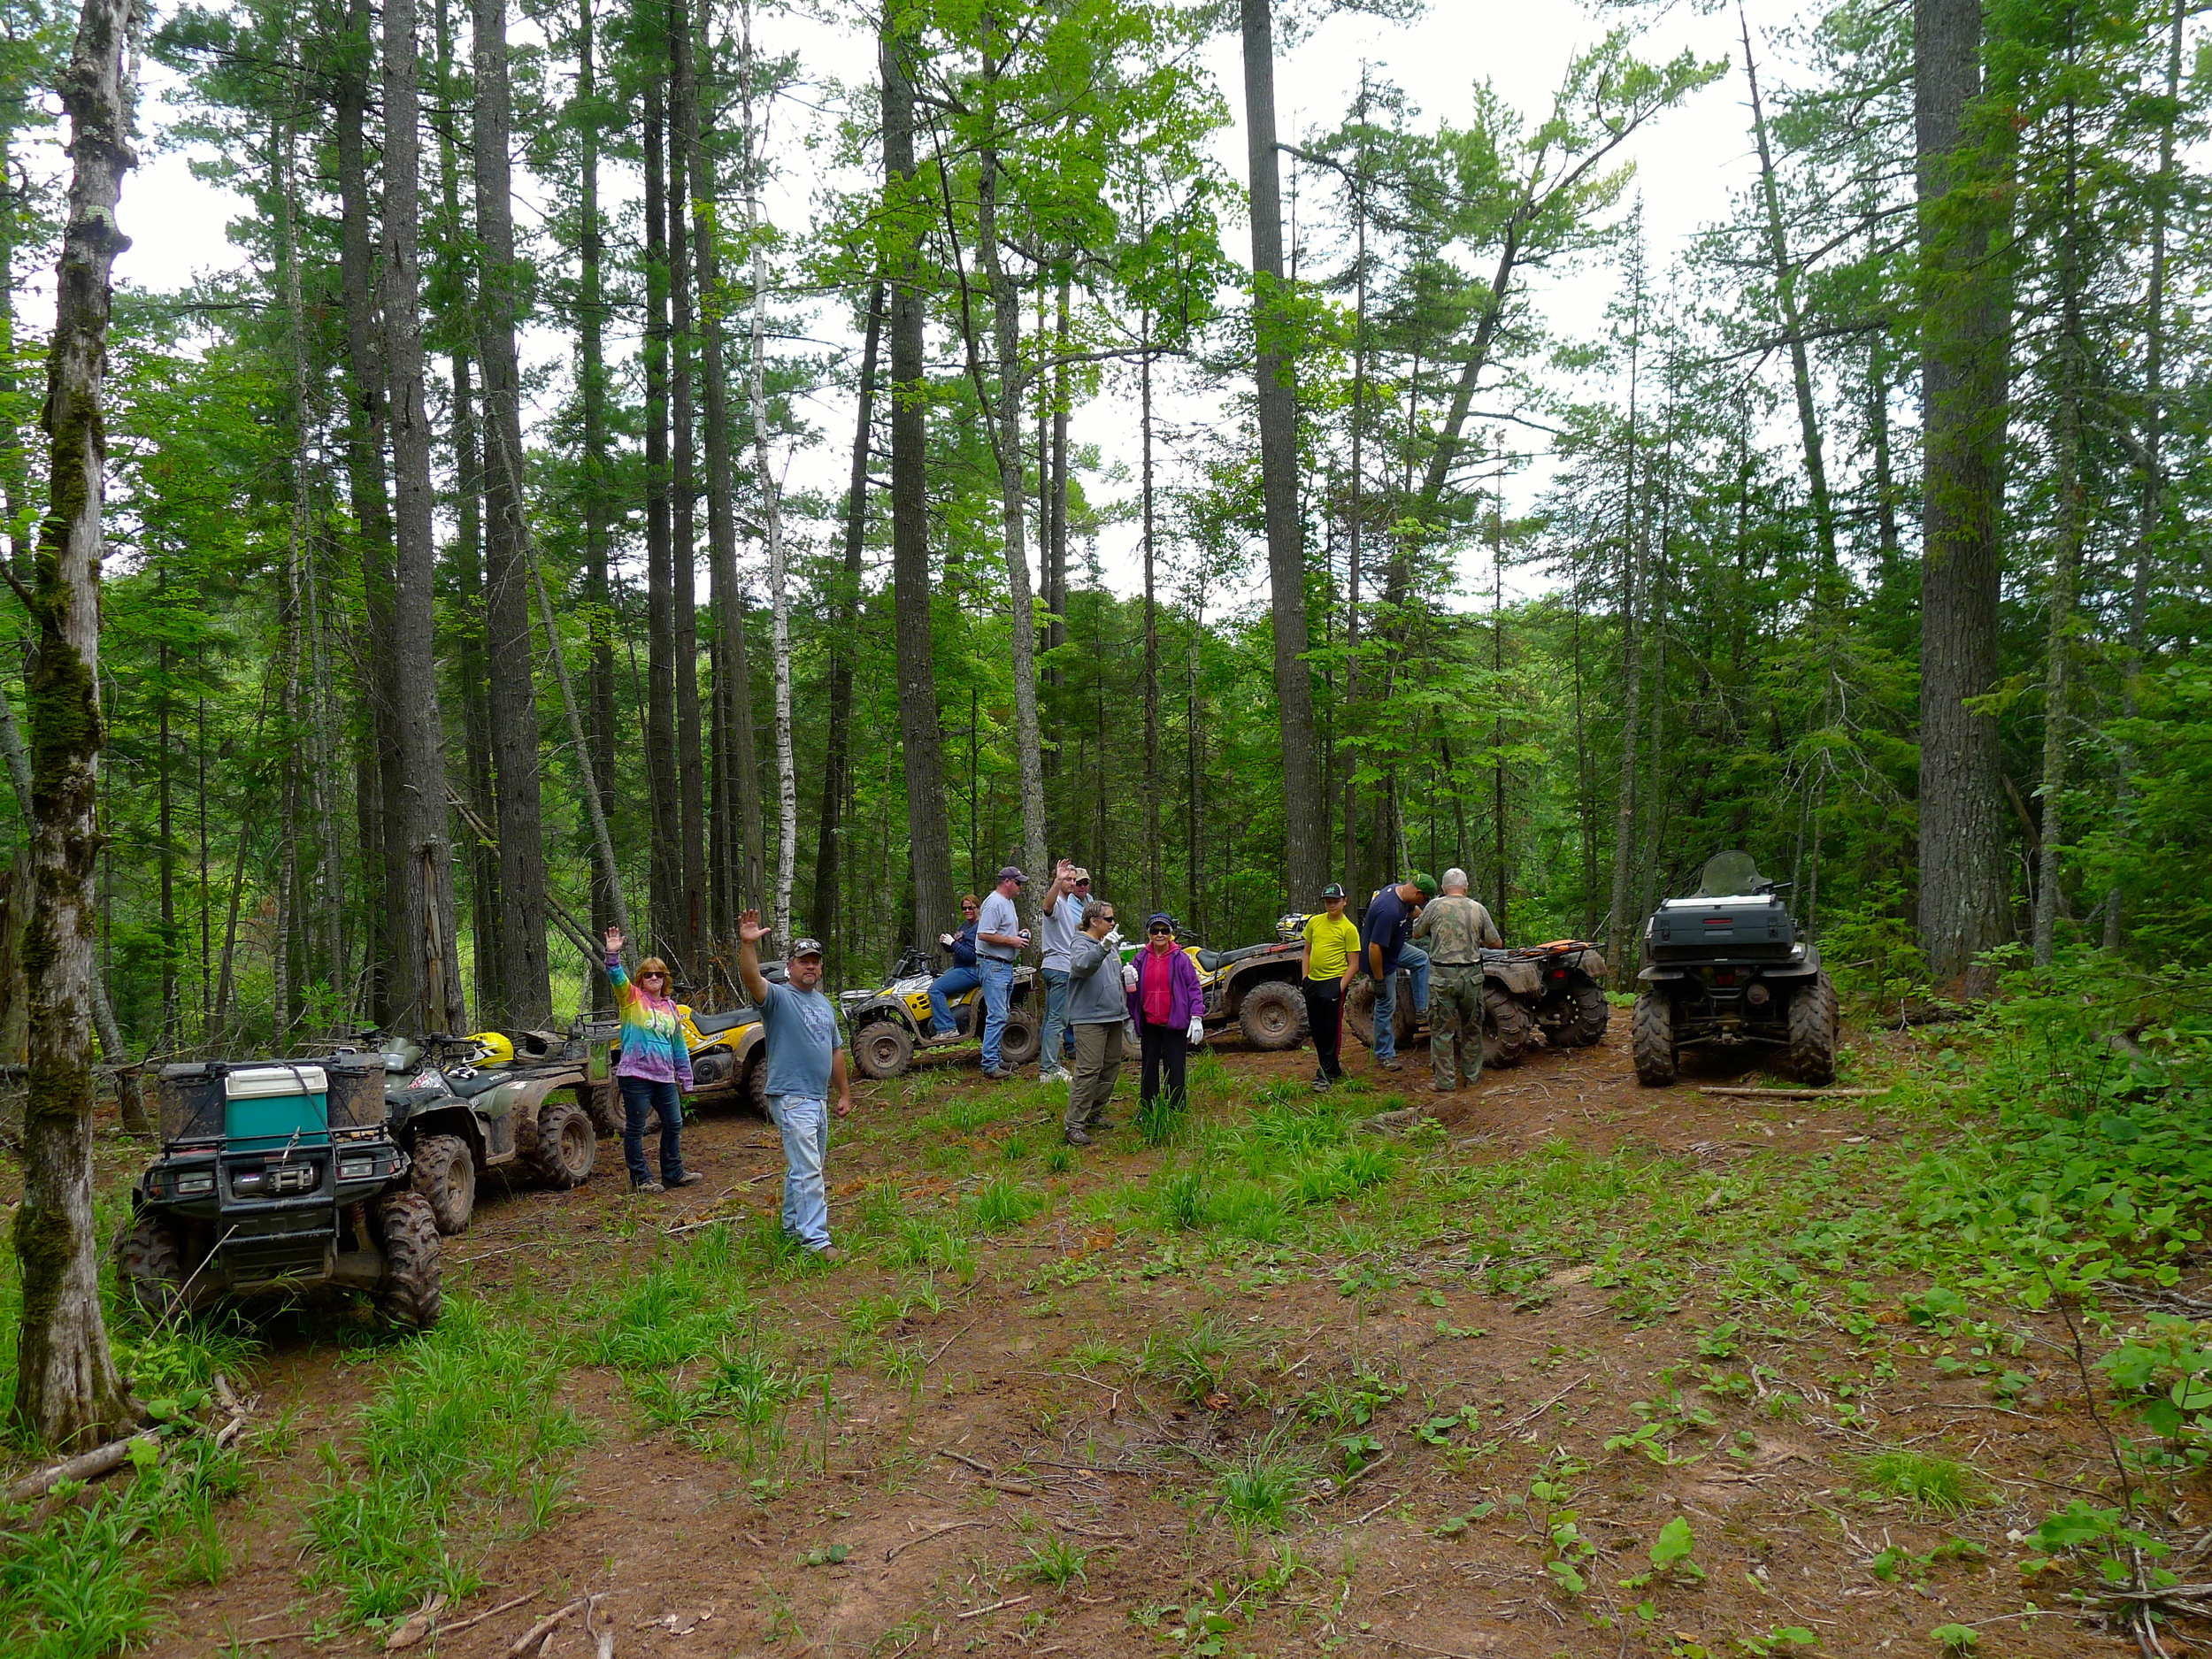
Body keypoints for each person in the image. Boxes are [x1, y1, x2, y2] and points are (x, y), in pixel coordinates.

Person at [738, 910, 854, 1263]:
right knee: (809, 1171)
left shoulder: (824, 1005)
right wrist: (747, 944)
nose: (811, 967)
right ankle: (815, 1241)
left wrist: (845, 1092)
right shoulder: (778, 998)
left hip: (818, 1099)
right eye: (804, 961)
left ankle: (792, 1229)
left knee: (804, 1168)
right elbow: (752, 979)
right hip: (790, 1097)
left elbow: (834, 1050)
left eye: (816, 962)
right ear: (791, 966)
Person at [601, 926, 703, 1194]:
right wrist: (612, 955)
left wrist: (686, 1077)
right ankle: (640, 1179)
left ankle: (673, 1173)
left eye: (659, 974)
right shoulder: (631, 998)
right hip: (635, 1075)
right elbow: (616, 976)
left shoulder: (671, 1008)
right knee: (636, 1128)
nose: (654, 977)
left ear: (665, 978)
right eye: (649, 974)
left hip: (664, 1077)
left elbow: (678, 1045)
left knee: (674, 1123)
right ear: (641, 978)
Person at [1412, 868, 1504, 1093]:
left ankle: (1445, 1082)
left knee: (1442, 1031)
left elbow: (1416, 933)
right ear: (1466, 887)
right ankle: (1472, 1077)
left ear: (1443, 888)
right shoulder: (1477, 909)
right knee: (1472, 1029)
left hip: (1442, 976)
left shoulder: (1434, 907)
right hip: (1471, 976)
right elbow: (1496, 943)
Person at [1062, 897, 1125, 1144]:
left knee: (1111, 1064)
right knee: (1088, 1069)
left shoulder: (1109, 944)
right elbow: (1082, 966)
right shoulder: (1081, 943)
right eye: (1109, 919)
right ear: (1094, 921)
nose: (1113, 923)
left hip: (1114, 1014)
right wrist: (1102, 948)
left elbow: (1110, 974)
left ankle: (1095, 1112)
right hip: (1089, 1018)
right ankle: (1074, 1124)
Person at [1128, 911, 1203, 1117]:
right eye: (1155, 930)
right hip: (1150, 1023)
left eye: (1164, 930)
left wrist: (1196, 1016)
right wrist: (1130, 1018)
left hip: (1175, 1023)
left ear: (1171, 933)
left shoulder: (1181, 959)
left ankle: (1176, 1109)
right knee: (1149, 1068)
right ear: (1149, 933)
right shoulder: (1140, 959)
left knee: (1176, 1069)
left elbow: (1193, 987)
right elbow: (1132, 991)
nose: (1159, 934)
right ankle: (1148, 1108)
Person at [1363, 873, 1437, 1071]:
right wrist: (1379, 979)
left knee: (1421, 959)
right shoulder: (1389, 910)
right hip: (1379, 958)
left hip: (1395, 948)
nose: (1425, 902)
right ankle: (1384, 1054)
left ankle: (1422, 1010)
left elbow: (1417, 913)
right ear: (1418, 892)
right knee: (1386, 1004)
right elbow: (1374, 947)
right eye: (1425, 898)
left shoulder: (1403, 894)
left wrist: (1433, 925)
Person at [1300, 883, 1363, 1092]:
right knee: (1317, 1029)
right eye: (1327, 902)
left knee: (1331, 1029)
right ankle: (1332, 1068)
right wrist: (1305, 978)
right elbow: (1307, 952)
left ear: (1344, 901)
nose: (1331, 905)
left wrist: (1339, 987)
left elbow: (1354, 964)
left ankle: (1324, 1075)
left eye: (1335, 901)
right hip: (1313, 982)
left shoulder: (1349, 929)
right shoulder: (1315, 923)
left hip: (1334, 982)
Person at [1034, 861, 1087, 1082]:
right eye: (1068, 879)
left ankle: (1049, 1064)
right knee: (1058, 1020)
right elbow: (1046, 907)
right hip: (1059, 968)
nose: (1072, 883)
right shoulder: (1056, 902)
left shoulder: (1067, 905)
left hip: (1058, 966)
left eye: (1073, 880)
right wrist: (1057, 881)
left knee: (1051, 1019)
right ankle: (1049, 1069)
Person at [974, 866, 1029, 1079]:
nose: (1020, 887)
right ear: (1007, 882)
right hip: (993, 964)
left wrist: (1018, 935)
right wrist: (1012, 940)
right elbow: (984, 934)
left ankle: (995, 1058)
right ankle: (989, 1063)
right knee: (996, 1015)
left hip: (1004, 964)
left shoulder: (1007, 903)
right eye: (1018, 883)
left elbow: (1001, 932)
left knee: (1001, 1013)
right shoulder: (994, 903)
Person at [925, 895, 982, 1042]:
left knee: (935, 990)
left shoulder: (979, 928)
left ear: (978, 908)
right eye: (964, 908)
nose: (967, 911)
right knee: (930, 981)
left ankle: (947, 1028)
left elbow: (970, 956)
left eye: (971, 908)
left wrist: (953, 943)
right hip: (961, 967)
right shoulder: (965, 926)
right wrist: (946, 943)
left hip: (972, 969)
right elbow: (955, 949)